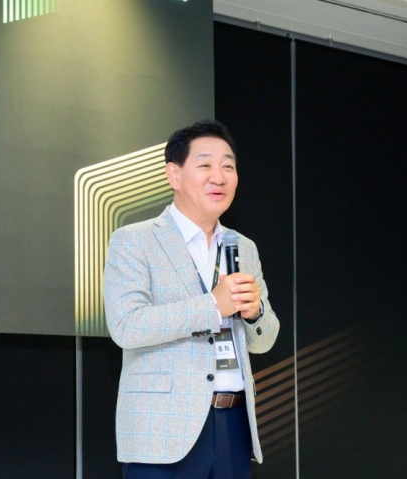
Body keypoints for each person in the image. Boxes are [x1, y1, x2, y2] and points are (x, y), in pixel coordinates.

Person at [104, 119, 280, 479]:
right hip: (164, 432)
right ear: (174, 175)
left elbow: (265, 340)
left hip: (233, 425)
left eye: (228, 166)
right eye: (205, 165)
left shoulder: (242, 247)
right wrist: (212, 306)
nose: (219, 177)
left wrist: (255, 313)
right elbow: (126, 326)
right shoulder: (135, 240)